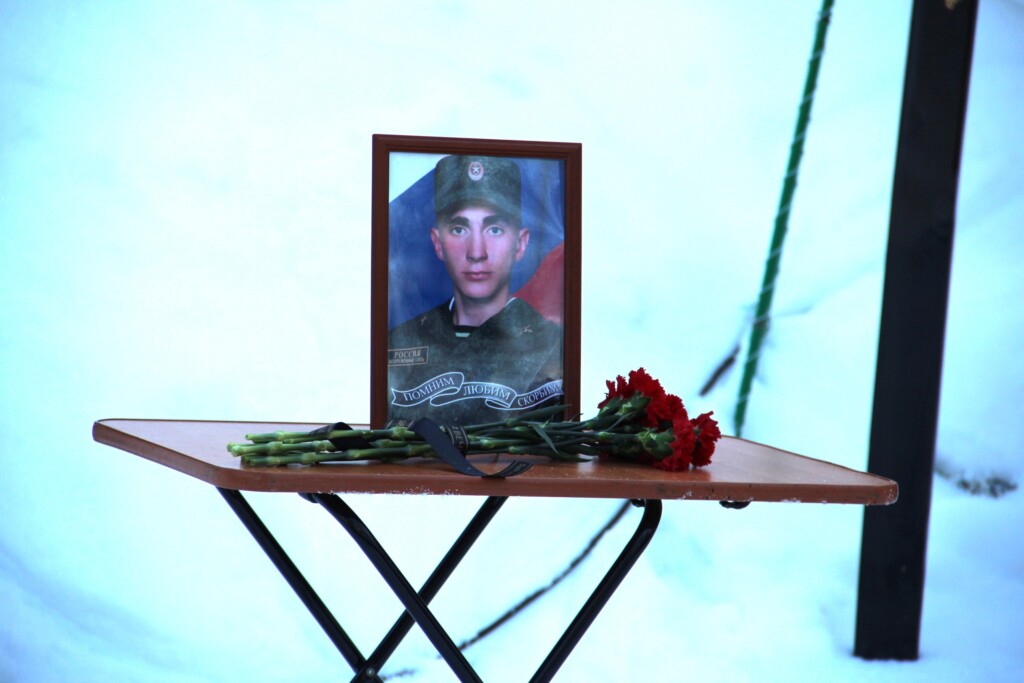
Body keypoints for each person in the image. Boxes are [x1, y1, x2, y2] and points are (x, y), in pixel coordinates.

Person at [387, 155, 563, 426]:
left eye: (494, 229)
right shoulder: (402, 340)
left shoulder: (553, 345)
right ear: (438, 242)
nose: (477, 252)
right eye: (459, 229)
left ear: (520, 243)